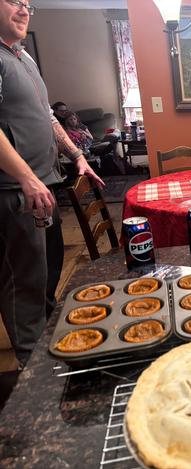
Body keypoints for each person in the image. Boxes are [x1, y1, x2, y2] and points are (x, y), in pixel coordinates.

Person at [0, 0, 104, 366]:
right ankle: (31, 374)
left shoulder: (23, 57)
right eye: (14, 1)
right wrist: (26, 178)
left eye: (28, 4)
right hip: (15, 193)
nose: (24, 10)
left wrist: (76, 155)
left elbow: (47, 116)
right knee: (23, 284)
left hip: (44, 185)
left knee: (47, 275)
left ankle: (48, 351)